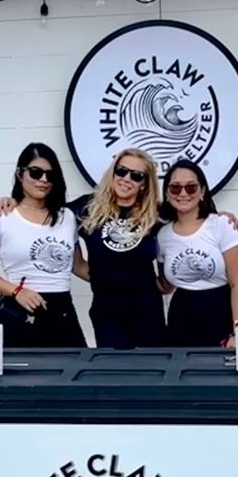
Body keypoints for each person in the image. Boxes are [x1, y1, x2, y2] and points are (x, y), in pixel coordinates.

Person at [0, 143, 87, 348]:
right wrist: (16, 291)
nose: (43, 180)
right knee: (22, 368)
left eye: (50, 175)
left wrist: (125, 279)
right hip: (20, 308)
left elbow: (78, 266)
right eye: (35, 173)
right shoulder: (1, 218)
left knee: (74, 366)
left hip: (62, 310)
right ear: (20, 174)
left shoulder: (67, 217)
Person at [72, 148, 165, 349]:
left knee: (153, 368)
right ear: (113, 172)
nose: (126, 179)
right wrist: (12, 202)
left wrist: (221, 217)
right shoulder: (87, 208)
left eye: (136, 176)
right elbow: (44, 214)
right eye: (121, 171)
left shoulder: (157, 213)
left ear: (144, 184)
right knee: (113, 367)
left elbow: (193, 219)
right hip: (107, 315)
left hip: (147, 314)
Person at [157, 159, 238, 348]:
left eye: (191, 187)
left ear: (202, 191)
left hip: (220, 314)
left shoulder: (222, 225)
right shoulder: (163, 235)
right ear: (167, 193)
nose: (183, 193)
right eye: (175, 188)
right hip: (180, 320)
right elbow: (166, 286)